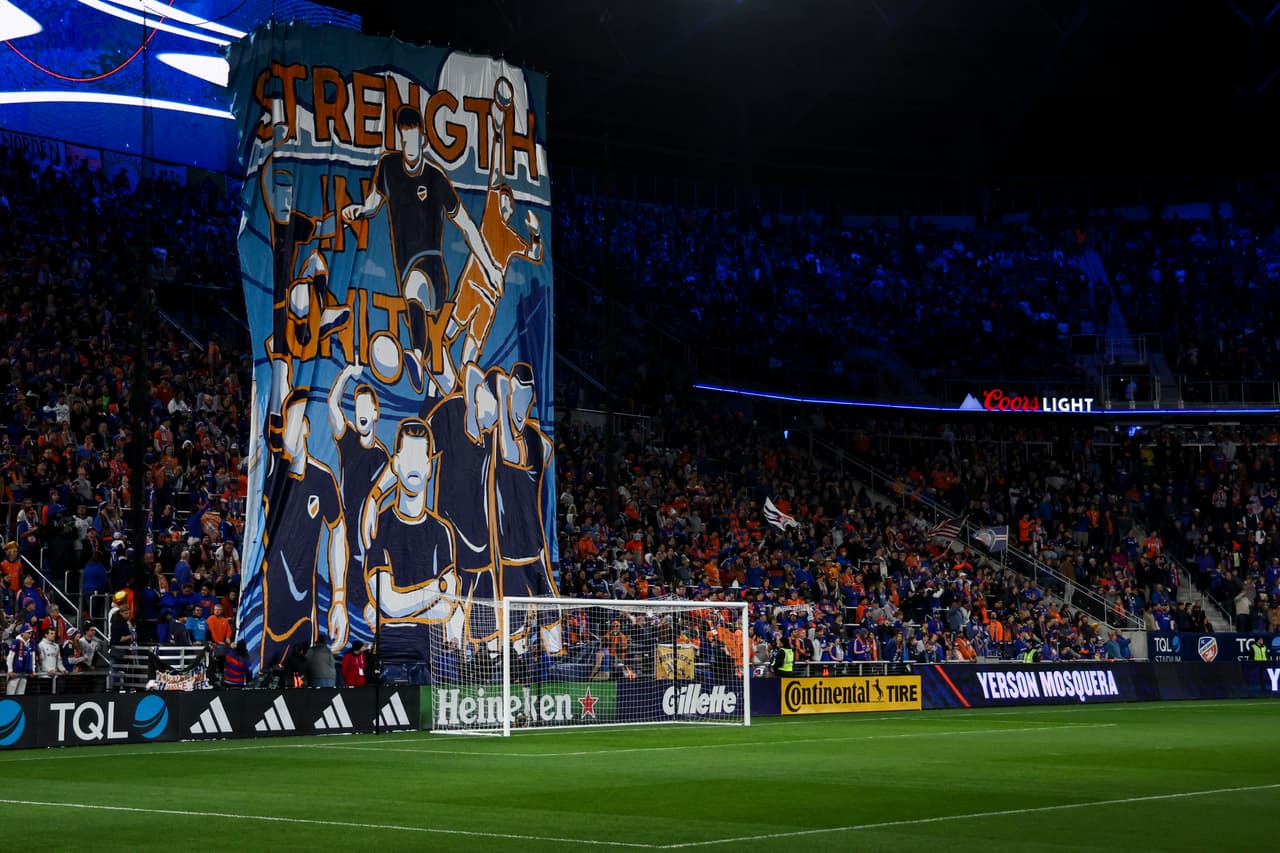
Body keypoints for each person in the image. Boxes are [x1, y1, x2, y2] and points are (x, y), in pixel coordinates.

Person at [6, 624, 35, 694]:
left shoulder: (30, 643)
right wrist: (10, 670)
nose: (30, 634)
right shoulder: (16, 642)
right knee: (11, 694)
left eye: (31, 632)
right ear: (22, 633)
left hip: (24, 673)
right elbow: (10, 657)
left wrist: (32, 670)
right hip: (15, 674)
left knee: (21, 695)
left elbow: (32, 658)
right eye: (28, 632)